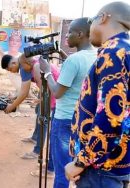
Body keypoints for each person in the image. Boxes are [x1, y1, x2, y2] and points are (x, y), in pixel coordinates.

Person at [65, 2, 130, 188]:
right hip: (115, 162)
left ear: (103, 18)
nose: (90, 27)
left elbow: (110, 117)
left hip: (100, 168)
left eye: (92, 21)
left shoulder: (113, 54)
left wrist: (80, 162)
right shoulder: (125, 51)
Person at [39, 17, 97, 188]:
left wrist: (47, 72)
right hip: (85, 120)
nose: (67, 36)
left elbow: (57, 92)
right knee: (79, 167)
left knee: (63, 170)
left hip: (65, 121)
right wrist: (65, 58)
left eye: (70, 32)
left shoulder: (74, 60)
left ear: (80, 34)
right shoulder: (96, 56)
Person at [1, 53, 60, 178]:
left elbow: (24, 93)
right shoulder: (27, 61)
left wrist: (11, 107)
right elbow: (42, 85)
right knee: (40, 112)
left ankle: (40, 153)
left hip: (55, 94)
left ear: (13, 63)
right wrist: (40, 99)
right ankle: (36, 139)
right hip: (51, 90)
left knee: (44, 121)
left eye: (10, 69)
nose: (13, 72)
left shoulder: (25, 66)